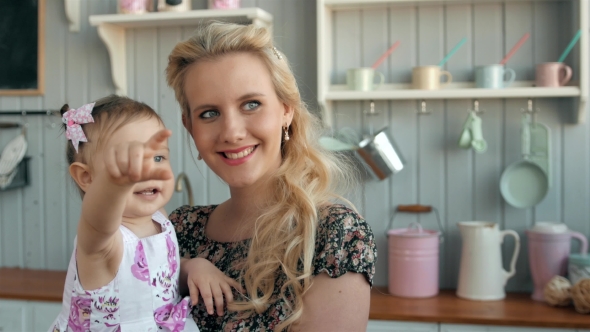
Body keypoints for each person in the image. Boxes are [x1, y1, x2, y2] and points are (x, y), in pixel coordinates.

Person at [166, 22, 377, 331]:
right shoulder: (179, 230)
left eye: (251, 104)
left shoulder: (334, 236)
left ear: (286, 111)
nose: (232, 132)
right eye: (209, 113)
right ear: (190, 128)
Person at [49, 95, 239, 331]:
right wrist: (114, 186)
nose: (149, 170)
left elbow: (157, 275)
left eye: (158, 157)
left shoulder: (159, 219)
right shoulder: (101, 240)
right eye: (130, 163)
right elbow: (97, 218)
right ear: (86, 178)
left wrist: (191, 267)